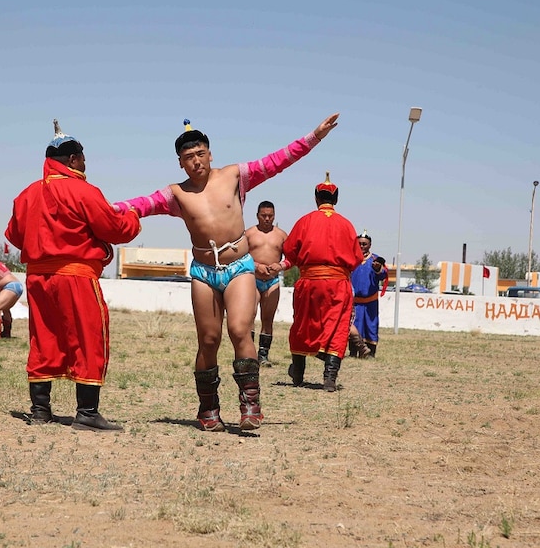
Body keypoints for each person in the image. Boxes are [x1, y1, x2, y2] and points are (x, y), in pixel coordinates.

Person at [112, 114, 340, 431]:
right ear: (180, 163)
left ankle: (250, 405)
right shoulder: (175, 194)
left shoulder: (236, 176)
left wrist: (314, 136)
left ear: (210, 153)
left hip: (239, 268)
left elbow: (278, 161)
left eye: (200, 154)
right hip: (204, 272)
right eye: (188, 158)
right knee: (208, 339)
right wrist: (97, 208)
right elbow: (137, 205)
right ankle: (208, 410)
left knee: (238, 329)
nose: (195, 162)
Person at [5, 120, 141, 431]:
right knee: (89, 337)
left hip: (37, 278)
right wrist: (132, 216)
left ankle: (40, 410)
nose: (85, 165)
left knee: (44, 338)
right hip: (76, 276)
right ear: (73, 159)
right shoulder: (84, 191)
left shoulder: (26, 195)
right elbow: (115, 229)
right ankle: (87, 413)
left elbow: (14, 235)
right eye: (83, 159)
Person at [283, 172, 363, 392]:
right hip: (338, 285)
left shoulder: (304, 221)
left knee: (302, 325)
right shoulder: (347, 225)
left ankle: (298, 374)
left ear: (316, 198)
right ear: (336, 199)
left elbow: (289, 249)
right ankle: (329, 377)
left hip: (309, 282)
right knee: (337, 327)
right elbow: (356, 258)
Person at [244, 201, 288, 367]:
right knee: (249, 316)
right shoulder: (249, 234)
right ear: (257, 216)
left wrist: (280, 265)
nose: (267, 219)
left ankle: (263, 355)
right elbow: (240, 256)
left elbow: (292, 257)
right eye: (264, 216)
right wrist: (257, 266)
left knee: (268, 319)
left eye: (270, 216)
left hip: (272, 281)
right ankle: (249, 354)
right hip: (252, 279)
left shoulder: (282, 235)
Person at [350, 232, 388, 358]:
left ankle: (371, 352)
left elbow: (383, 275)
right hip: (354, 301)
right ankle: (353, 351)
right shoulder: (350, 258)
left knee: (370, 326)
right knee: (353, 325)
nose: (361, 246)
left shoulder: (375, 260)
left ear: (370, 245)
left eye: (364, 244)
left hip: (370, 302)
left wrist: (378, 269)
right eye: (359, 243)